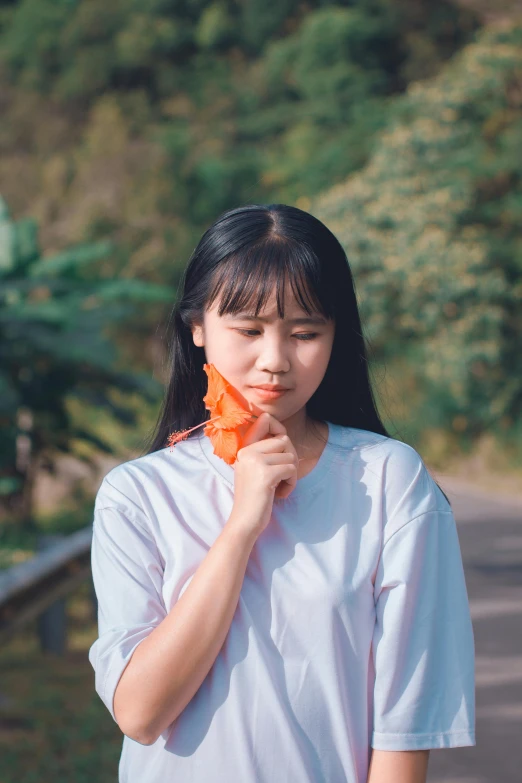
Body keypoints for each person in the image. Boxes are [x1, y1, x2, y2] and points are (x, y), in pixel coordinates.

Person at [88, 203, 475, 783]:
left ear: (336, 335)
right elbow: (140, 713)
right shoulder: (138, 495)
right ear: (197, 327)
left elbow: (403, 727)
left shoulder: (389, 481)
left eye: (305, 333)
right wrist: (243, 523)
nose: (275, 361)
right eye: (247, 330)